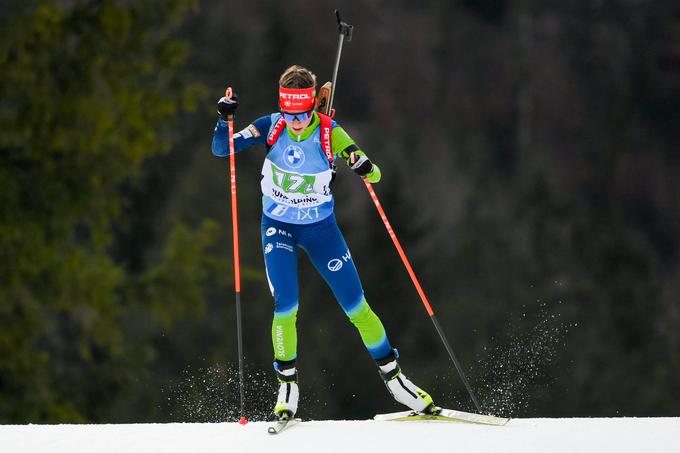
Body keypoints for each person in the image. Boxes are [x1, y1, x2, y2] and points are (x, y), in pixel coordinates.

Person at [211, 65, 439, 420]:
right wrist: (223, 118)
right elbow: (221, 150)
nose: (296, 121)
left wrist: (361, 163)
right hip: (278, 229)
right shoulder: (270, 126)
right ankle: (287, 387)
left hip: (321, 230)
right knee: (286, 305)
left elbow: (374, 172)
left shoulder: (331, 133)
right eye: (290, 113)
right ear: (282, 107)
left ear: (313, 107)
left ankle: (396, 381)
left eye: (302, 114)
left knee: (357, 307)